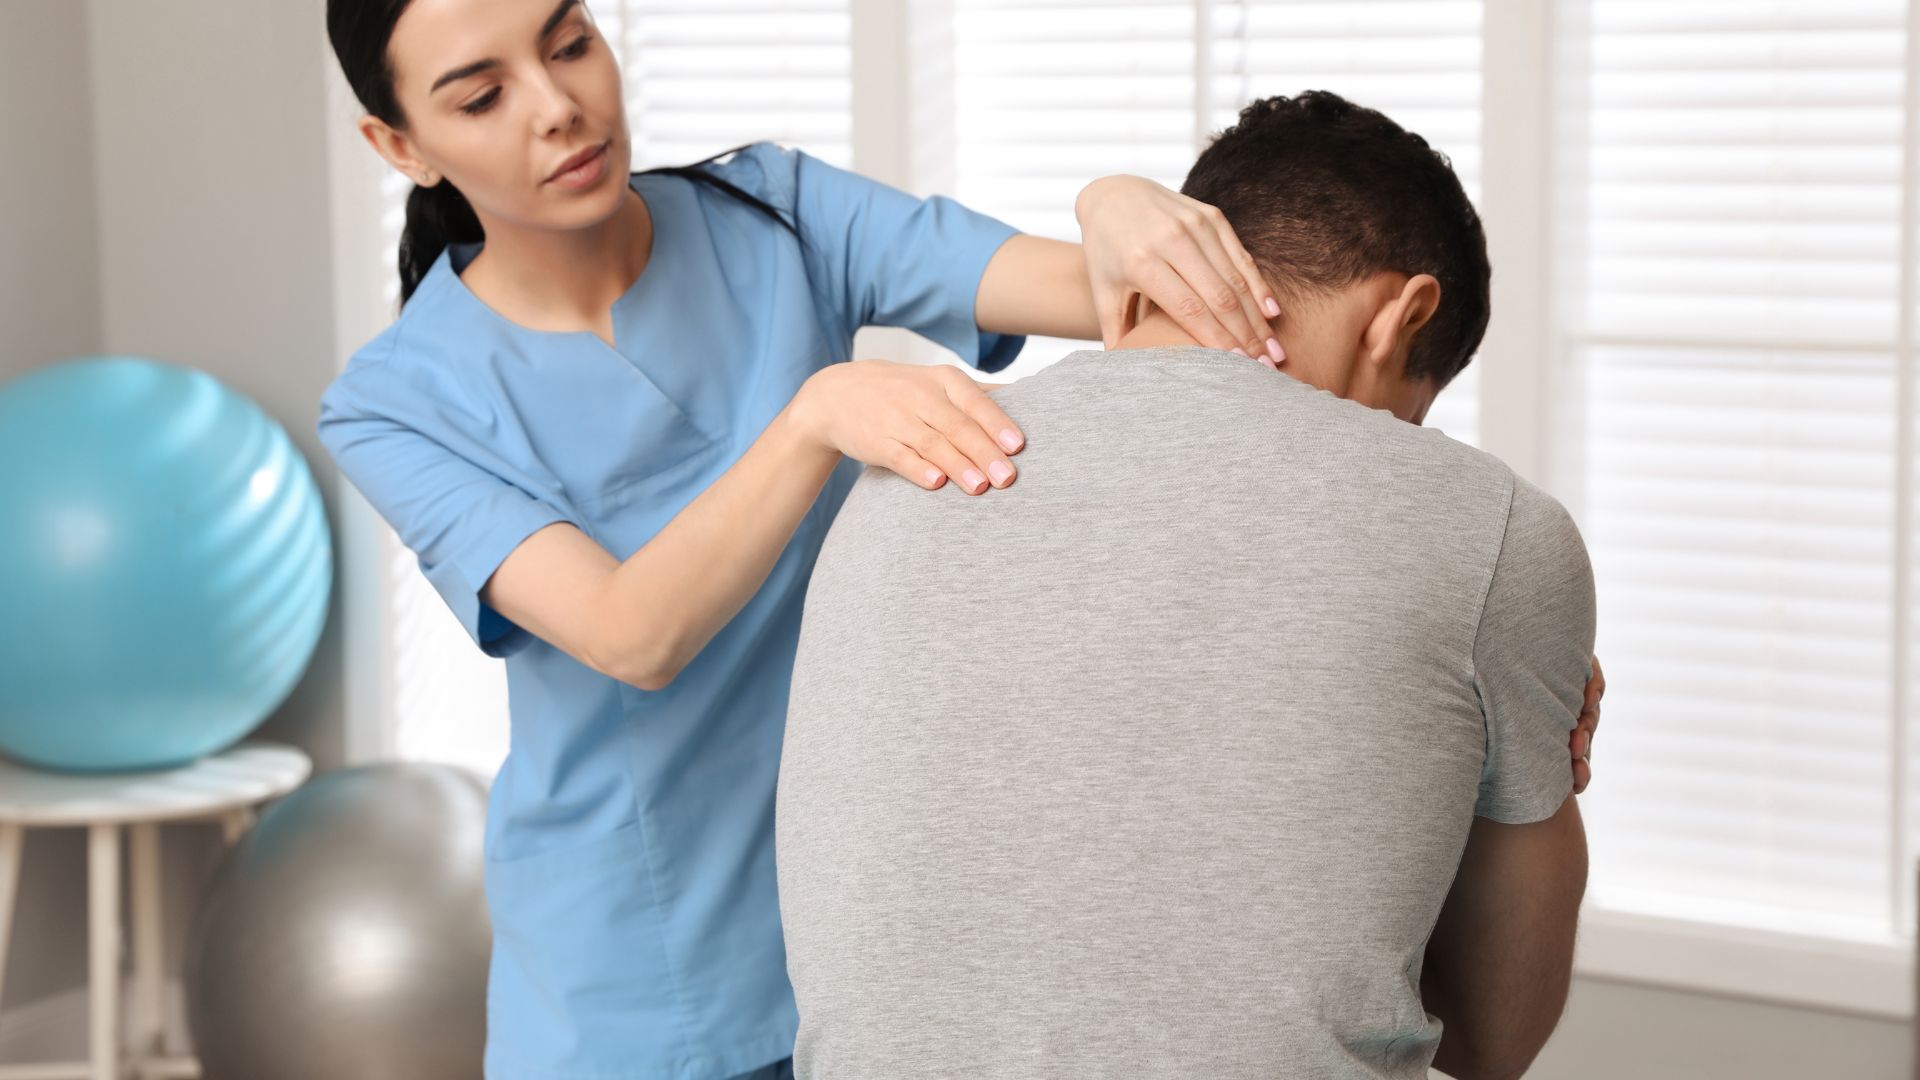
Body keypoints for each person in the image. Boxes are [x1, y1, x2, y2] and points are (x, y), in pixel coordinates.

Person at [316, 1, 1301, 1078]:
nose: (558, 108)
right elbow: (629, 632)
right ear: (400, 145)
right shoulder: (393, 403)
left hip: (880, 928)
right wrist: (814, 416)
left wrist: (1114, 206)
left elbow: (1114, 294)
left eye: (569, 43)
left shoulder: (774, 213)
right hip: (639, 983)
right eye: (484, 94)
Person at [778, 91, 1603, 1080]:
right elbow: (1490, 1043)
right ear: (1403, 315)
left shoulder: (904, 468)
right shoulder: (1493, 529)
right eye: (1407, 417)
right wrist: (1523, 754)